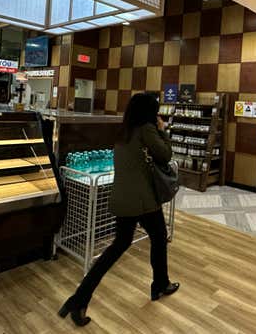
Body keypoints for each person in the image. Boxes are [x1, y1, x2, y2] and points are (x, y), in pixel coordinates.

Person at [59, 93, 179, 327]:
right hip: (142, 201)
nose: (157, 115)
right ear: (148, 113)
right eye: (155, 111)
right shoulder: (146, 129)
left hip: (123, 199)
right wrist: (162, 130)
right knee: (159, 237)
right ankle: (160, 284)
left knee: (118, 247)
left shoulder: (125, 130)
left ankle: (79, 298)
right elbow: (165, 154)